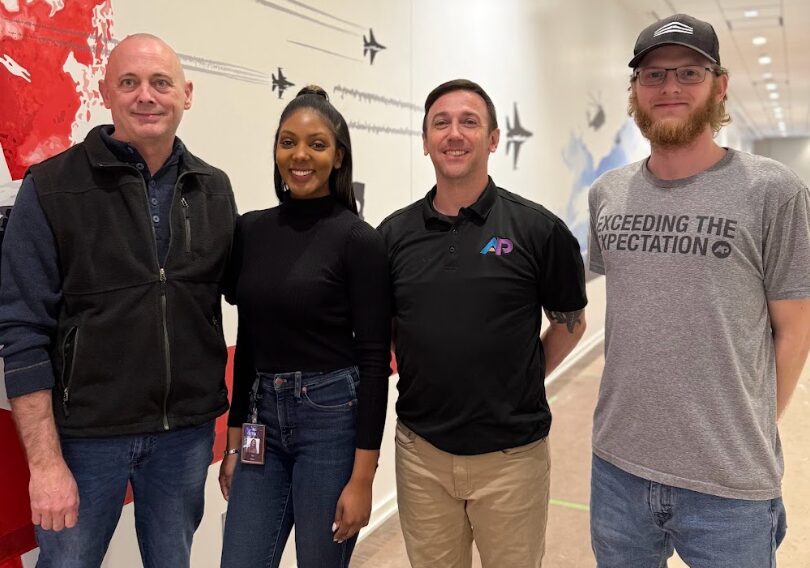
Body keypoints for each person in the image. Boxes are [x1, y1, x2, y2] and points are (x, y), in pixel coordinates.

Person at [0, 34, 236, 567]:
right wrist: (45, 464)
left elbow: (253, 295)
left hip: (185, 436)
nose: (145, 96)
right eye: (129, 82)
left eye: (160, 83)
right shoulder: (51, 189)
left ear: (187, 94)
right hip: (86, 441)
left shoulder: (213, 189)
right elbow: (22, 330)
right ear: (105, 92)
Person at [588, 13, 810, 567]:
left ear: (720, 85)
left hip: (729, 482)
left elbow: (794, 330)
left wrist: (749, 427)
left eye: (689, 72)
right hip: (617, 468)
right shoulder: (607, 193)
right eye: (654, 74)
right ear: (636, 89)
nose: (670, 87)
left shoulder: (773, 191)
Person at [378, 79, 588, 568]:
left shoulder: (538, 229)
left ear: (493, 139)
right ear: (425, 140)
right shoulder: (392, 235)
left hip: (512, 460)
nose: (454, 134)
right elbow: (386, 328)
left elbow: (571, 322)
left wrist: (525, 377)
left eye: (469, 122)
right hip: (421, 456)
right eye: (441, 123)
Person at [218, 86, 391, 568]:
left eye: (316, 144)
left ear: (338, 157)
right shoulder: (250, 230)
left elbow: (374, 362)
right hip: (261, 421)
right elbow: (250, 339)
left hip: (330, 420)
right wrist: (234, 442)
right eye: (288, 141)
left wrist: (363, 479)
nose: (300, 155)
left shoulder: (358, 240)